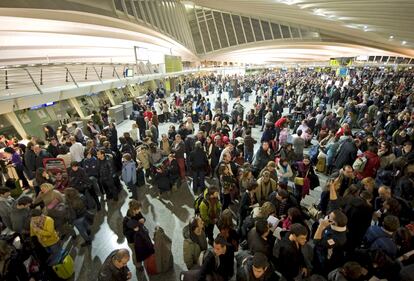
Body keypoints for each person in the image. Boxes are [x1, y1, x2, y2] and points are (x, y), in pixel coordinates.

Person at [122, 200, 145, 269]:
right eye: (139, 209)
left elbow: (142, 218)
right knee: (135, 253)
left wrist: (143, 219)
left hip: (139, 237)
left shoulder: (138, 213)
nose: (140, 210)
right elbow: (125, 233)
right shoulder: (126, 220)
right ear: (134, 210)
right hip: (132, 241)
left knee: (140, 250)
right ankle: (138, 266)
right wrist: (133, 230)